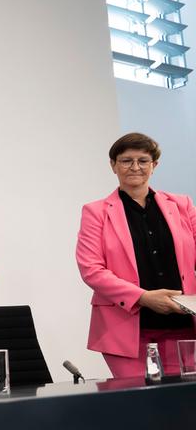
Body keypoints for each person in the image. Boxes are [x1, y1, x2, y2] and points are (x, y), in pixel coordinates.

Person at [76, 132, 196, 378]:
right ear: (113, 165)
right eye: (126, 160)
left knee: (182, 405)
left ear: (154, 165)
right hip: (125, 328)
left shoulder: (182, 205)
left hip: (182, 325)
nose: (135, 167)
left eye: (143, 160)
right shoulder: (95, 212)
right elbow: (91, 269)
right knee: (139, 407)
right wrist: (143, 297)